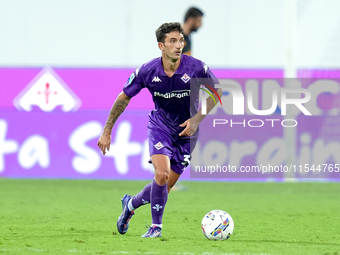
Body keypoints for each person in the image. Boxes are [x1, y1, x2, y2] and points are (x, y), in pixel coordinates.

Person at [97, 22, 222, 238]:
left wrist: (197, 119)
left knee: (163, 187)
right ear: (160, 46)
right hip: (161, 126)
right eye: (172, 41)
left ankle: (130, 205)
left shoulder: (196, 67)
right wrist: (107, 130)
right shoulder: (148, 70)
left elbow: (217, 90)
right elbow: (123, 97)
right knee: (161, 174)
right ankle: (156, 226)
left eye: (180, 40)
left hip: (187, 132)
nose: (178, 45)